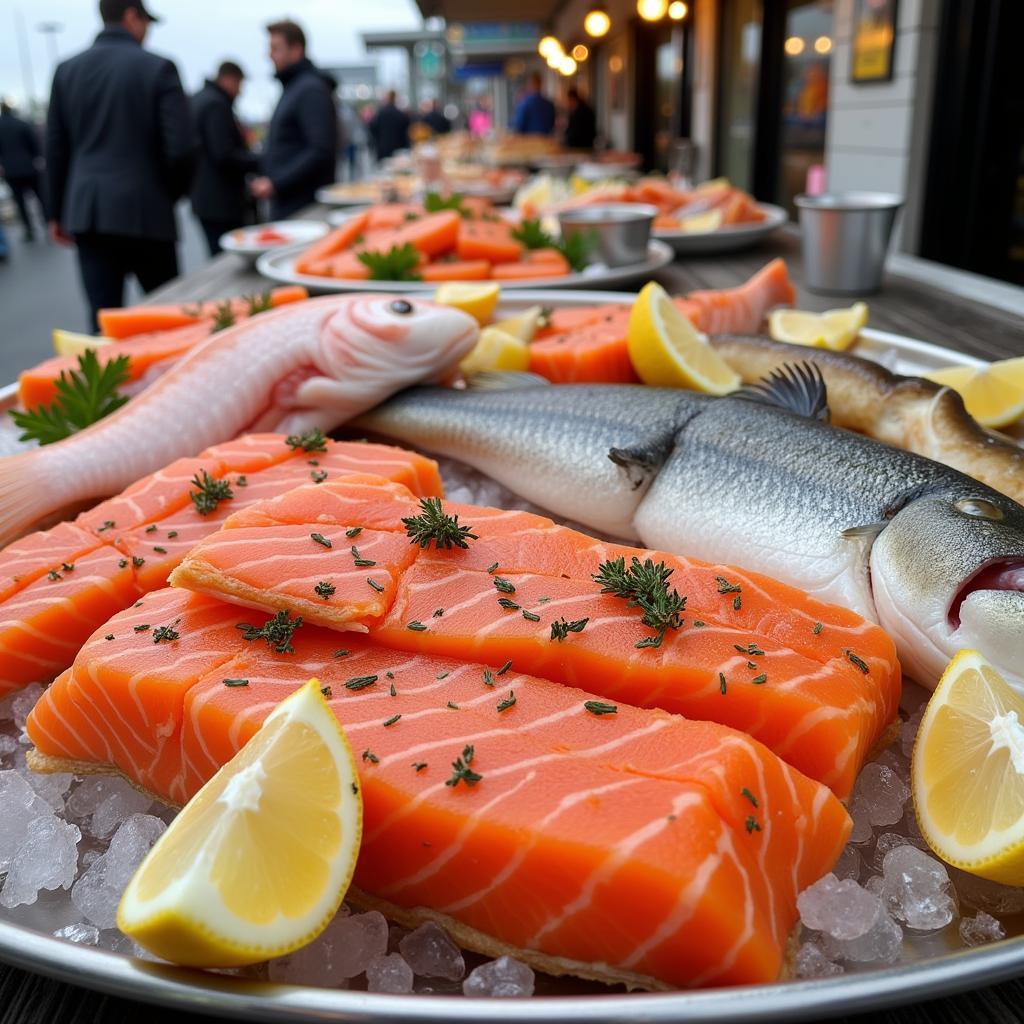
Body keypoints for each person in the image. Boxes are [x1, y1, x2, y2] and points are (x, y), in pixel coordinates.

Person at [45, 0, 194, 331]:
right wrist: (166, 193)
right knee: (168, 321)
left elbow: (56, 148)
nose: (148, 32)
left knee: (103, 322)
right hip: (147, 209)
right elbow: (182, 148)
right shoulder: (159, 67)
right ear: (131, 15)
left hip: (89, 213)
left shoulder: (66, 70)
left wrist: (55, 212)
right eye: (147, 22)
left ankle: (106, 385)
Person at [250, 20, 337, 220]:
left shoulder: (310, 90)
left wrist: (276, 183)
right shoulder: (296, 87)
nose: (269, 55)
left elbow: (320, 149)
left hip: (303, 209)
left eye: (275, 48)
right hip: (292, 204)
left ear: (296, 50)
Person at [190, 61, 260, 255]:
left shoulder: (199, 99)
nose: (240, 92)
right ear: (230, 79)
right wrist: (260, 161)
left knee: (217, 254)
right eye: (240, 85)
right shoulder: (215, 104)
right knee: (228, 259)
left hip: (204, 198)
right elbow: (224, 154)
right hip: (221, 202)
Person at [0, 101, 44, 241]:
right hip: (29, 167)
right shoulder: (22, 123)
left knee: (20, 201)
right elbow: (34, 143)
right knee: (40, 196)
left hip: (10, 170)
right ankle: (48, 221)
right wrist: (37, 157)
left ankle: (29, 229)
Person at [368, 91, 411, 162]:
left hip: (383, 147)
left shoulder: (381, 113)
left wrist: (378, 140)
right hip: (398, 147)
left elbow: (373, 128)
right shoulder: (400, 114)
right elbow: (406, 131)